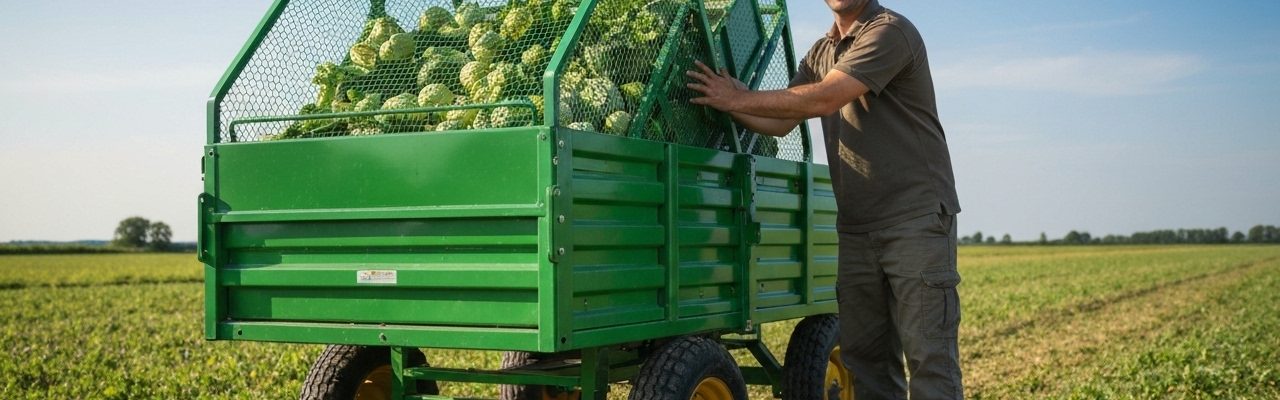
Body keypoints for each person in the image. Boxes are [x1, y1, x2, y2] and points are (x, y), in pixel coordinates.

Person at [684, 0, 962, 398]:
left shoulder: (889, 32)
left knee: (929, 359)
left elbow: (824, 98)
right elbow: (781, 122)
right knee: (867, 361)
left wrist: (737, 99)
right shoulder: (821, 51)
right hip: (856, 227)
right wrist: (725, 100)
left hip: (914, 220)